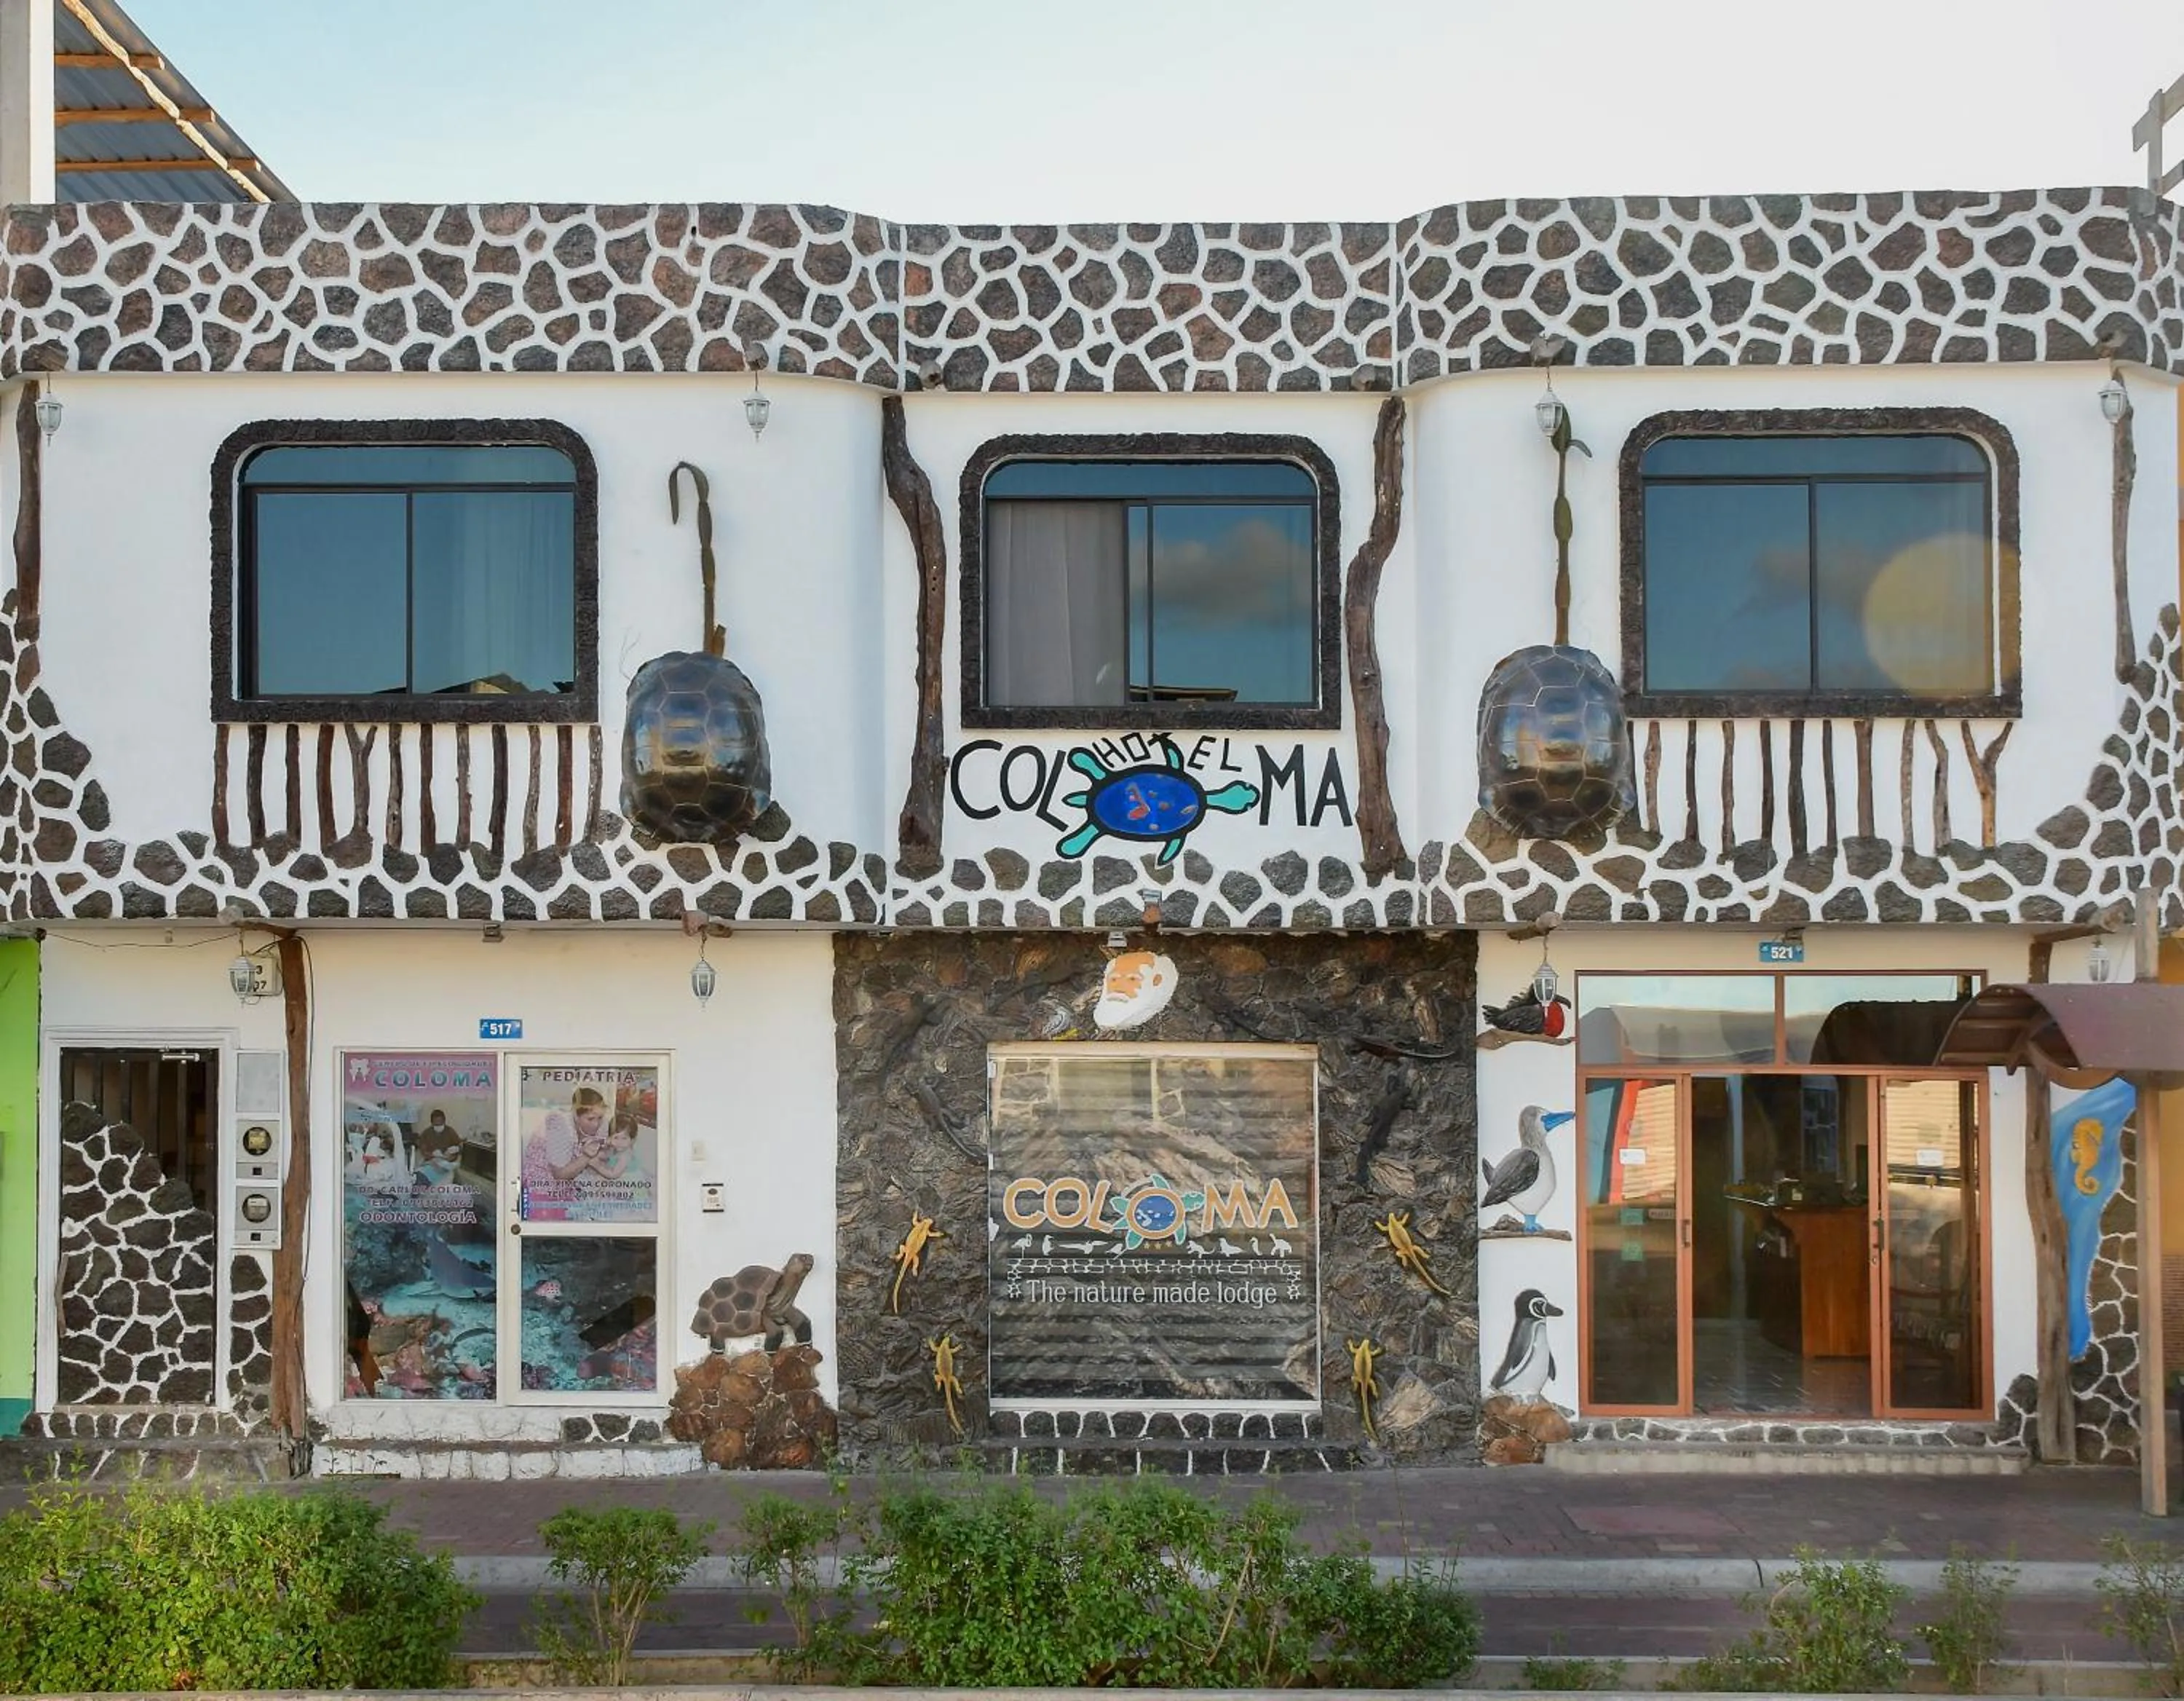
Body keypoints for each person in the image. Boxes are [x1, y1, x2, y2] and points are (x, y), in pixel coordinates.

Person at [521, 1085, 608, 1218]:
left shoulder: (592, 1127)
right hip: (541, 1189)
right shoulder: (560, 1125)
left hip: (563, 1190)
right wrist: (586, 1157)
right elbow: (560, 1174)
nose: (596, 1124)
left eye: (600, 1118)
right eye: (590, 1119)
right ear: (576, 1115)